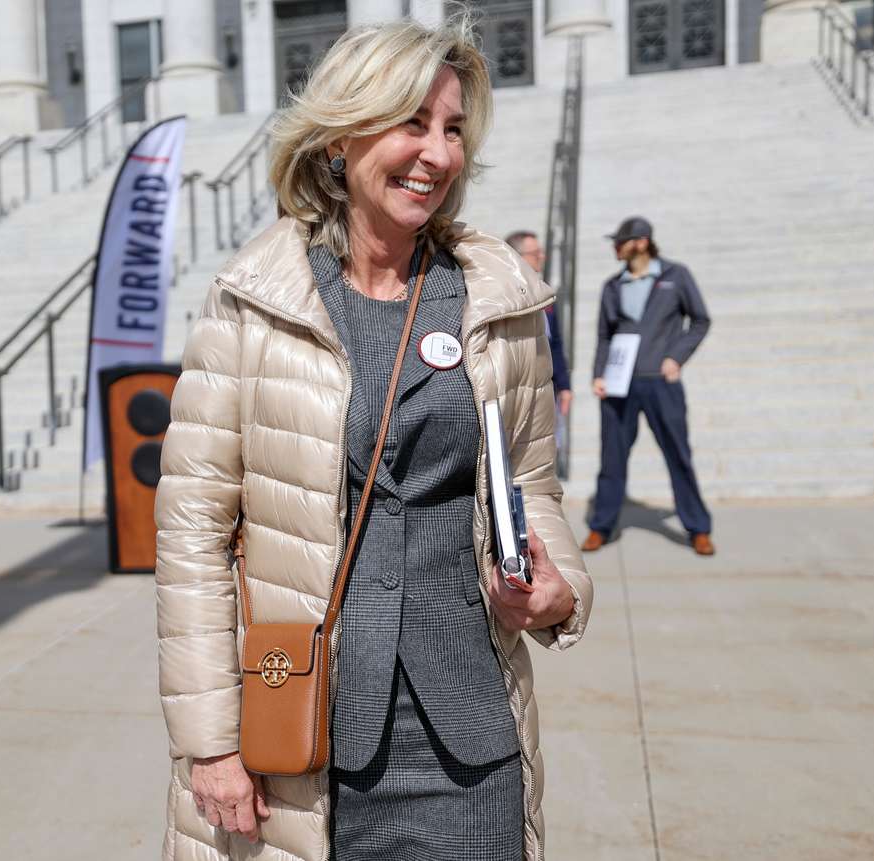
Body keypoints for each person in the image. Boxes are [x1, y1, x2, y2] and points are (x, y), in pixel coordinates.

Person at [153, 16, 593, 861]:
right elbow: (192, 532)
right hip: (304, 744)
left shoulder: (497, 301)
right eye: (411, 123)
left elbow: (533, 485)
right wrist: (209, 741)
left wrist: (558, 589)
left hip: (471, 739)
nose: (437, 153)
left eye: (453, 129)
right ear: (339, 137)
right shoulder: (252, 302)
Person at [582, 217, 715, 556]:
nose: (616, 247)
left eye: (621, 242)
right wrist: (598, 374)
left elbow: (700, 320)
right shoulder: (613, 286)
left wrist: (676, 358)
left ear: (641, 243)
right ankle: (601, 526)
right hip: (618, 385)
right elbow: (604, 335)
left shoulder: (675, 276)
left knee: (678, 454)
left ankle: (698, 528)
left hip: (661, 383)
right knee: (612, 457)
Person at [506, 231, 572, 424]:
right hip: (517, 389)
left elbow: (555, 343)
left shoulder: (543, 293)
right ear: (517, 257)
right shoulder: (504, 294)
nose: (542, 257)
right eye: (536, 253)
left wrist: (564, 386)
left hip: (547, 386)